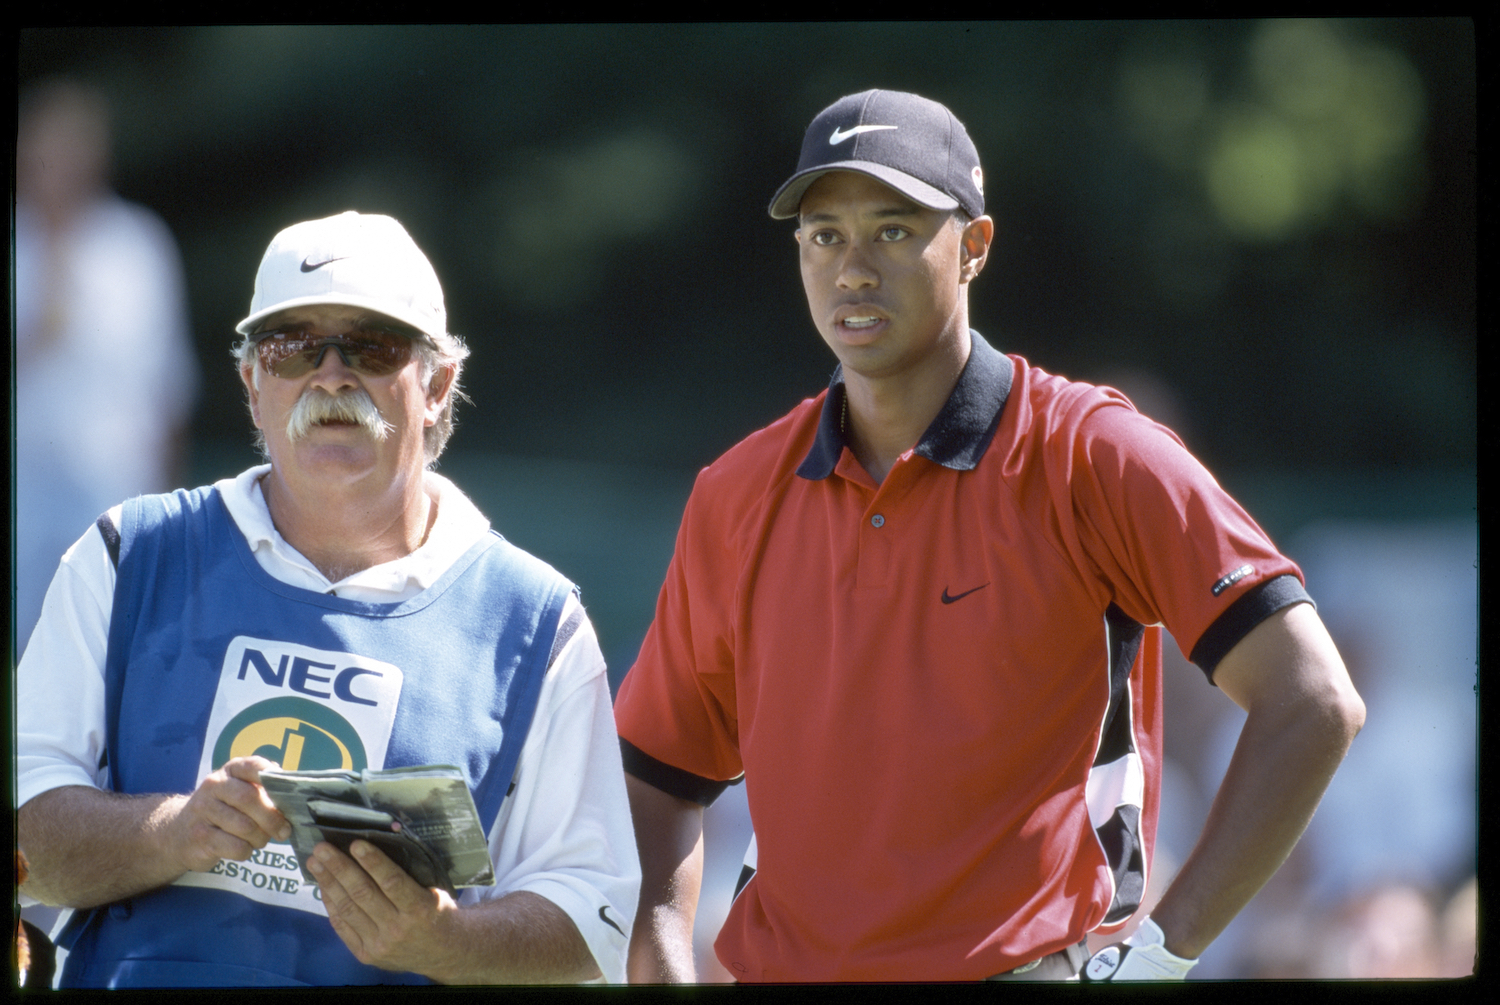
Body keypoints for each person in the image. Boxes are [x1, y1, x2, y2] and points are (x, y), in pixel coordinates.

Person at [613, 90, 1365, 983]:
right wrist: (659, 965)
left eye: (893, 230)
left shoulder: (1096, 455)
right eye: (824, 235)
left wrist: (1165, 952)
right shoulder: (735, 493)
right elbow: (657, 774)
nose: (852, 267)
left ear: (974, 248)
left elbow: (1312, 700)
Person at [16, 211, 640, 987]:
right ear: (252, 382)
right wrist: (175, 832)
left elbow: (591, 921)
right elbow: (24, 838)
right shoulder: (128, 552)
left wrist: (441, 940)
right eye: (292, 347)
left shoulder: (537, 622)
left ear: (438, 384)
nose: (332, 374)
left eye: (372, 346)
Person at [13, 78, 200, 650]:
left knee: (110, 637)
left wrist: (169, 495)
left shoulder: (138, 245)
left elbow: (168, 379)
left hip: (114, 483)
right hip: (23, 486)